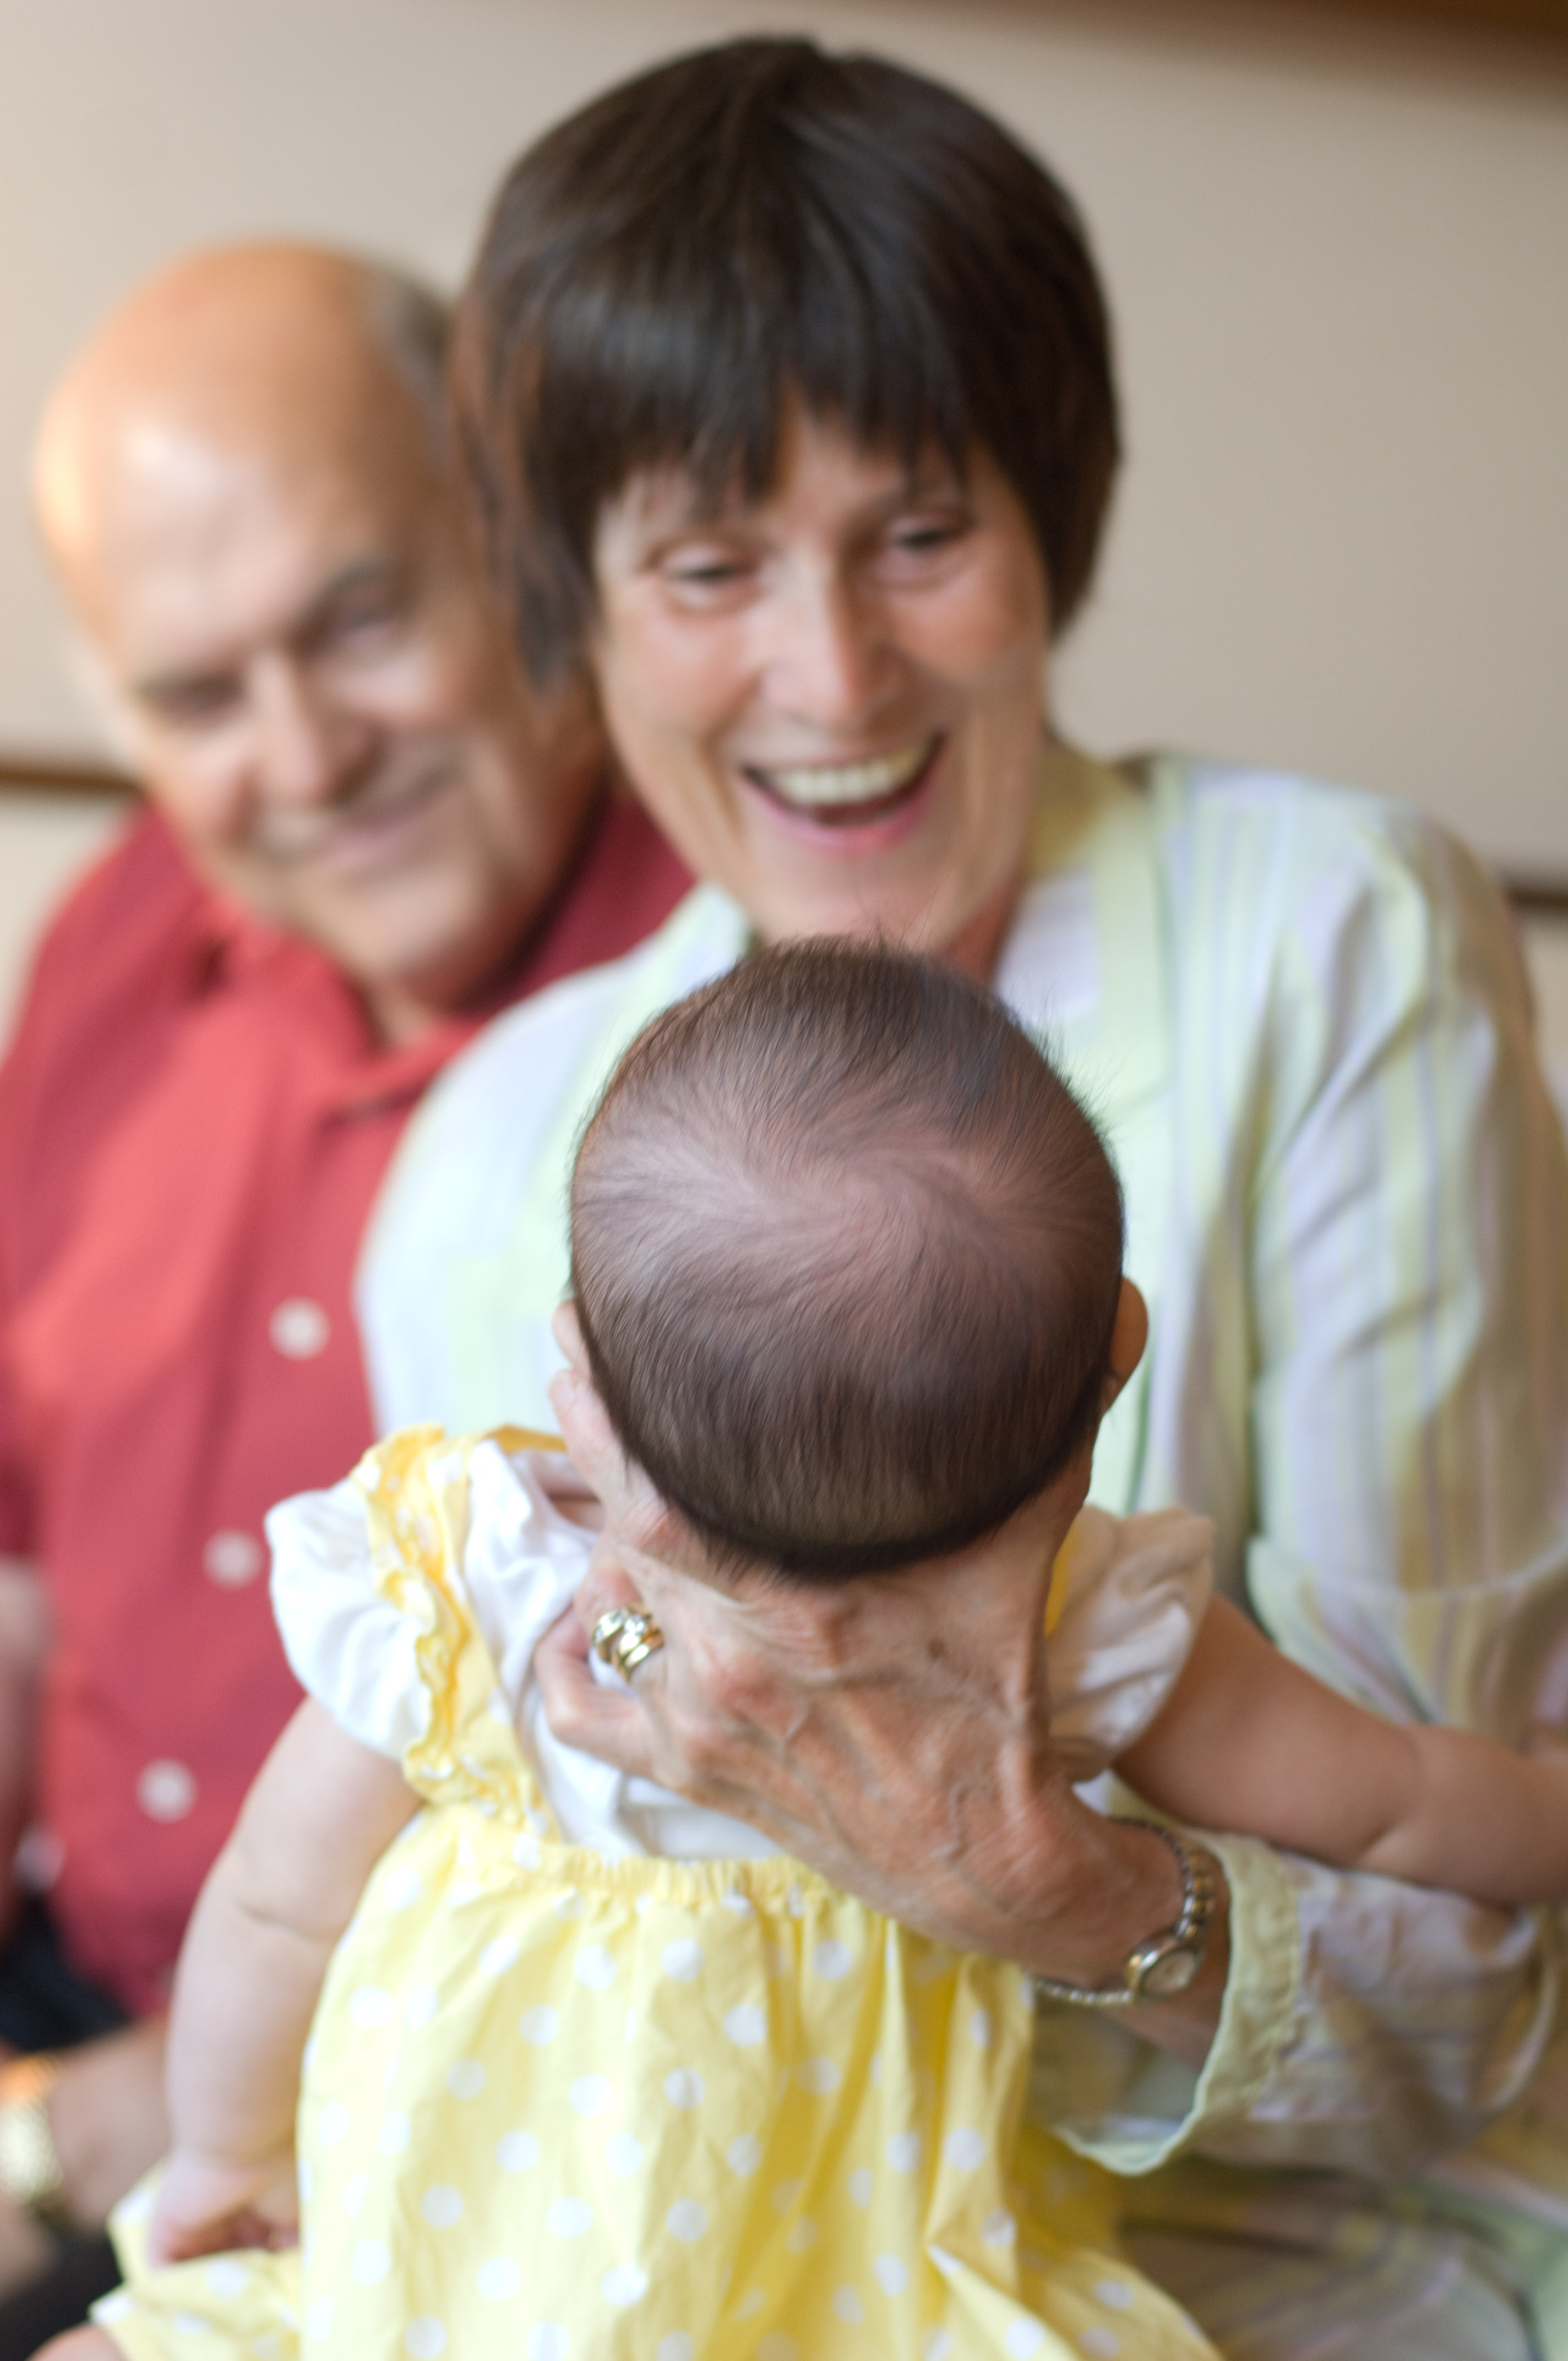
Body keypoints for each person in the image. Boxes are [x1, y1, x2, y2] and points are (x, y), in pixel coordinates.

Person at [353, 40, 1568, 2361]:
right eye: (708, 565)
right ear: (573, 604)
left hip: (1287, 2266)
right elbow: (426, 1897)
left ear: (1051, 523)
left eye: (920, 532)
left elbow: (1468, 2002)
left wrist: (1037, 1880)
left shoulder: (1331, 944)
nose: (834, 673)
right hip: (676, 2269)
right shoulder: (492, 1157)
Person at [46, 942, 1568, 2361]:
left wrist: (227, 2162)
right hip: (867, 2298)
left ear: (578, 1368)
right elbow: (1394, 1804)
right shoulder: (1091, 1625)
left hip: (421, 2272)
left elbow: (276, 1907)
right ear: (1117, 1350)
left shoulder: (473, 1584)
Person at [0, 244, 689, 2344]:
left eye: (361, 622)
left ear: (519, 539)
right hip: (62, 2004)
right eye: (201, 697)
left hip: (433, 2111)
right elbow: (16, 1581)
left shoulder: (743, 1011)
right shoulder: (124, 933)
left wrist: (94, 2131)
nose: (302, 756)